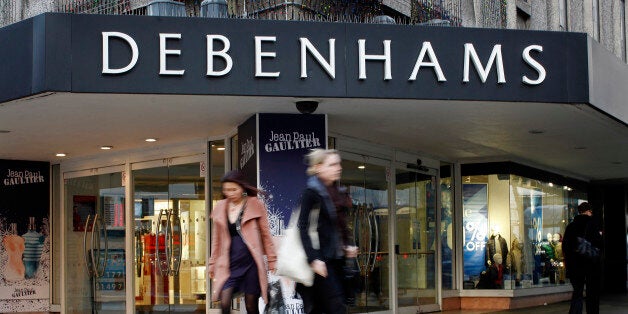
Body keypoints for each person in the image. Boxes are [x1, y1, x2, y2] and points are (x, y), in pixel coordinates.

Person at [296, 148, 358, 314]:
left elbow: (340, 227)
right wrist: (314, 259)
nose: (338, 168)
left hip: (337, 260)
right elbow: (302, 228)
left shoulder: (338, 193)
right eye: (332, 164)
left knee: (322, 308)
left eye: (339, 164)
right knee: (336, 307)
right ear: (318, 167)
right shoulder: (311, 193)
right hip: (321, 262)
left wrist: (348, 246)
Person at [208, 170, 277, 314]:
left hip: (251, 262)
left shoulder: (255, 204)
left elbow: (266, 235)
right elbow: (216, 240)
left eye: (234, 189)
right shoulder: (220, 207)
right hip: (229, 263)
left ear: (242, 188)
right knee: (225, 302)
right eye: (226, 190)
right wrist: (212, 263)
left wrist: (272, 260)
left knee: (251, 305)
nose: (230, 193)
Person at [562, 202, 603, 314]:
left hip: (575, 265)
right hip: (591, 264)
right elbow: (599, 243)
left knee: (577, 292)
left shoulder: (571, 226)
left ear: (579, 212)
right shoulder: (592, 224)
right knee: (592, 293)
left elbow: (565, 246)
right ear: (589, 211)